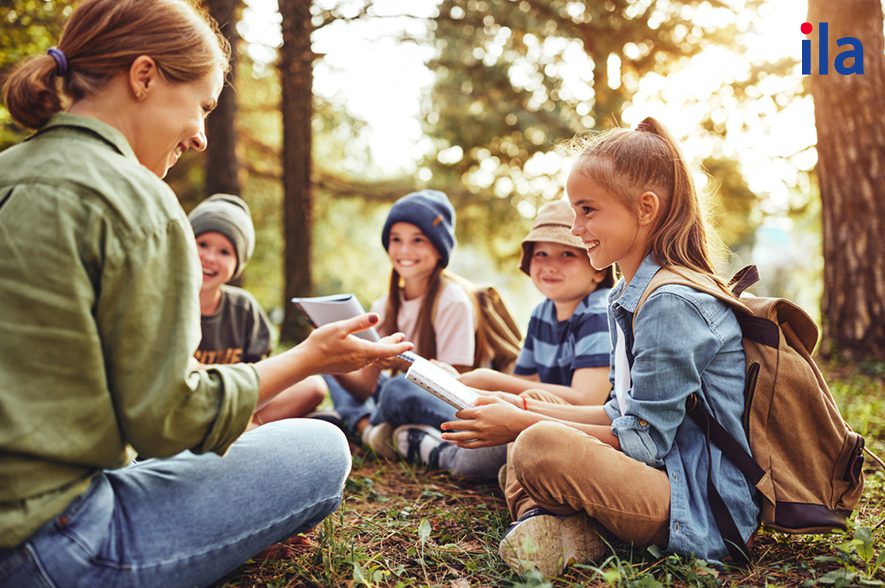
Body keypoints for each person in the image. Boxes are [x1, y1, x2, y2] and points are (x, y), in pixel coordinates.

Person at [0, 2, 412, 587]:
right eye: (203, 106)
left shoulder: (7, 171)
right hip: (57, 548)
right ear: (143, 76)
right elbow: (169, 419)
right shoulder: (137, 202)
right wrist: (310, 358)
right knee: (320, 449)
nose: (199, 136)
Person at [440, 117, 759, 576]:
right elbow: (617, 412)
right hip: (652, 480)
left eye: (587, 210)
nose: (576, 228)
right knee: (534, 420)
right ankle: (565, 529)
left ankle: (558, 522)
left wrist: (520, 423)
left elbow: (644, 441)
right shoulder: (627, 295)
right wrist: (519, 407)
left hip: (697, 505)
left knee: (534, 444)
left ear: (645, 208)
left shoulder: (670, 303)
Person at [392, 200, 615, 478]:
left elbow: (585, 400)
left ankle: (437, 450)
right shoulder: (543, 312)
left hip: (576, 431)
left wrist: (490, 380)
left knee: (474, 459)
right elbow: (527, 382)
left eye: (567, 254)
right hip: (538, 415)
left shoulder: (597, 314)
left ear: (598, 269)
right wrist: (462, 380)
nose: (550, 265)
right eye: (541, 254)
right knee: (401, 389)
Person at [324, 190, 484, 461]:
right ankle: (370, 429)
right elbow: (363, 388)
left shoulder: (452, 301)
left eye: (418, 240)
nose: (405, 251)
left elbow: (456, 385)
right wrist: (335, 353)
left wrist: (405, 363)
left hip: (436, 401)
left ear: (439, 249)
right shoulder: (384, 305)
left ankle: (362, 423)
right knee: (332, 366)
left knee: (397, 389)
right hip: (392, 398)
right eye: (396, 239)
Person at [190, 193, 327, 424]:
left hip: (237, 402)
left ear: (238, 265)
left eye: (225, 252)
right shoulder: (165, 301)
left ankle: (249, 428)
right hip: (187, 404)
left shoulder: (243, 309)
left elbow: (263, 376)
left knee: (313, 386)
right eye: (202, 244)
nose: (210, 258)